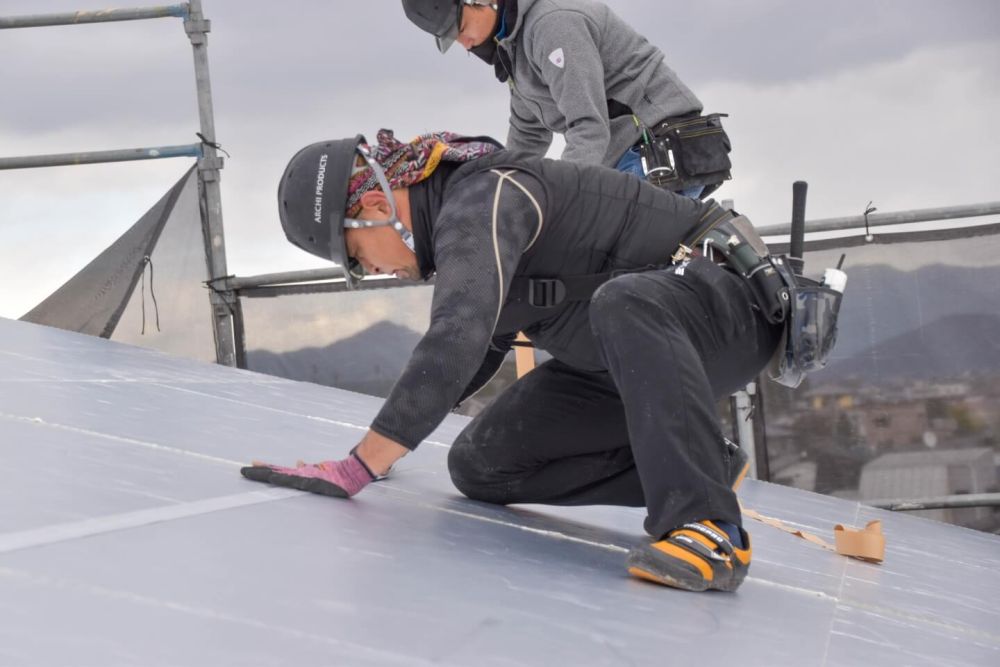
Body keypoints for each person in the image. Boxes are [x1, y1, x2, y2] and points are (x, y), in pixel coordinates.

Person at [242, 129, 784, 593]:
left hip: (727, 309)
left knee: (625, 300)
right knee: (481, 465)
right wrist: (381, 453)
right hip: (623, 361)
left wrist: (360, 466)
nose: (373, 272)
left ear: (377, 208)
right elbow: (472, 355)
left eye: (358, 258)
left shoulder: (484, 197)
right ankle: (702, 464)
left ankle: (710, 528)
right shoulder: (464, 225)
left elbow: (458, 331)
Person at [400, 0, 733, 198]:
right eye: (450, 38)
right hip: (623, 158)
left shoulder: (552, 26)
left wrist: (558, 198)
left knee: (606, 265)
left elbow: (589, 127)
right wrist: (497, 191)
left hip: (659, 152)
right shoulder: (513, 45)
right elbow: (528, 135)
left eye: (458, 27)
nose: (463, 42)